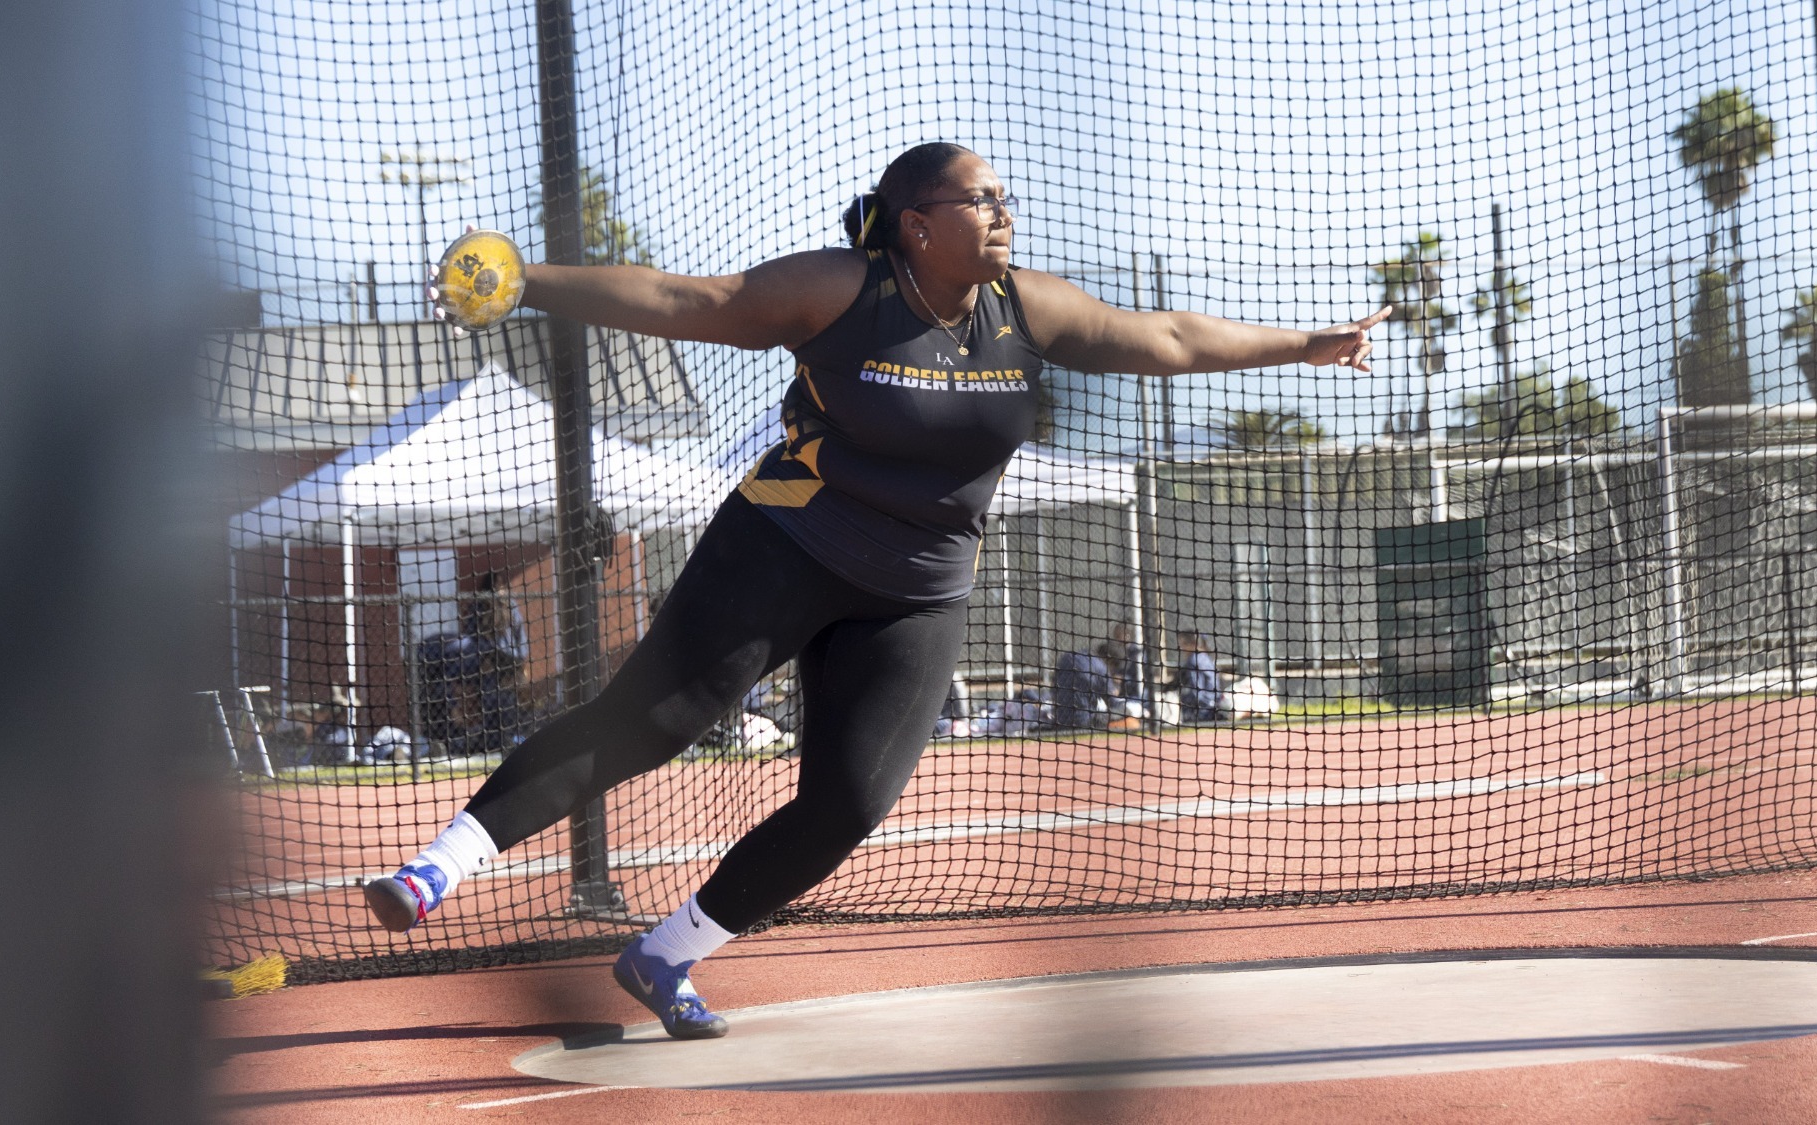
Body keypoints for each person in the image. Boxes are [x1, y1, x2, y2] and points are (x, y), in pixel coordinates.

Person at [364, 142, 1389, 1040]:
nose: (1002, 213)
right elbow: (691, 302)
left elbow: (1163, 340)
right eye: (981, 199)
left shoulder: (1022, 306)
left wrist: (1309, 343)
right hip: (787, 541)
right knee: (654, 723)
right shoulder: (844, 292)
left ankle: (665, 955)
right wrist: (525, 280)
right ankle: (437, 869)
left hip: (919, 588)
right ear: (916, 225)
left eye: (1004, 198)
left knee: (847, 804)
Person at [1051, 646, 1114, 729]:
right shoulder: (1100, 667)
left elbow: (1053, 687)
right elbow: (1111, 700)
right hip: (1084, 721)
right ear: (1109, 660)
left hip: (1059, 720)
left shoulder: (1066, 658)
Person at [1174, 630, 1226, 723]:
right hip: (1213, 702)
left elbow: (1197, 692)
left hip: (1203, 709)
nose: (1181, 647)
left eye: (1183, 643)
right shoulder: (1204, 657)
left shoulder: (1194, 660)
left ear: (1193, 644)